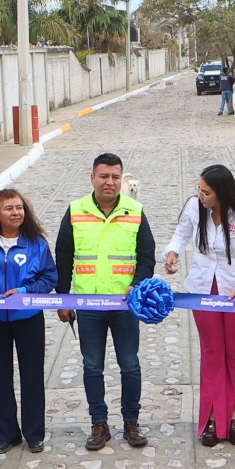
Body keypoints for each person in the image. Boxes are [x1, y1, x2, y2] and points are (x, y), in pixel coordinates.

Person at [165, 164, 235, 446]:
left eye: (207, 192)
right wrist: (173, 253)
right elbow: (181, 234)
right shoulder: (194, 207)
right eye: (199, 190)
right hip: (203, 289)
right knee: (212, 353)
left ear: (222, 193)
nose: (200, 196)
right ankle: (211, 419)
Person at [55, 152, 157, 450]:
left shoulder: (135, 211)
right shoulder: (75, 210)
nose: (109, 182)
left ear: (121, 179)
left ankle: (131, 422)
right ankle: (98, 424)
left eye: (115, 176)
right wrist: (64, 298)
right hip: (88, 306)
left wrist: (136, 285)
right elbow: (63, 257)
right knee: (92, 367)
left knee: (130, 365)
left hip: (125, 306)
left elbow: (147, 256)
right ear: (92, 178)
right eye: (103, 176)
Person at [0, 188, 59, 453]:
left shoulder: (36, 243)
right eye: (9, 208)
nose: (16, 213)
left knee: (32, 375)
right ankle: (6, 434)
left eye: (19, 207)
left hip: (28, 318)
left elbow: (49, 278)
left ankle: (34, 434)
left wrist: (25, 292)